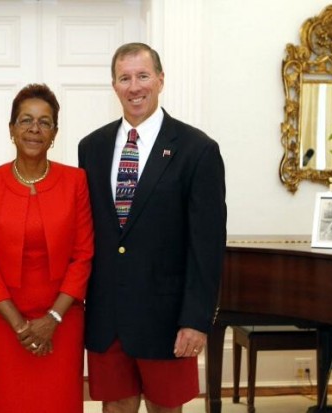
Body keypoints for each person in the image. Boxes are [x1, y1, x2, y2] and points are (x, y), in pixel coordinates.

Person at [78, 42, 227, 413]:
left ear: (160, 80)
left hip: (167, 321)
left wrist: (196, 320)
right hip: (107, 320)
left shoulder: (197, 149)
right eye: (124, 78)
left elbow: (206, 246)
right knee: (114, 408)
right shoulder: (91, 147)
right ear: (113, 85)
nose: (134, 87)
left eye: (143, 76)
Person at [0, 83, 94, 413]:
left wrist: (52, 318)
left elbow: (83, 255)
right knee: (9, 402)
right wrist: (21, 326)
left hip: (63, 319)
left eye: (45, 122)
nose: (34, 130)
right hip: (4, 321)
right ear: (12, 129)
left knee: (59, 402)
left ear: (54, 133)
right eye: (25, 120)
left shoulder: (76, 181)